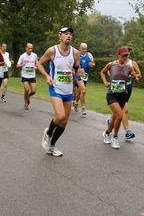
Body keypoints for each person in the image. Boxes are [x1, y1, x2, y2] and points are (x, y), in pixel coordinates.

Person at [37, 27, 84, 157]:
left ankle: (52, 146)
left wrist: (79, 71)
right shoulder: (52, 51)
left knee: (64, 121)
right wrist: (47, 76)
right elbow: (39, 64)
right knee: (60, 116)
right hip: (55, 88)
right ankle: (48, 133)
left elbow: (76, 67)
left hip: (68, 89)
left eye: (70, 34)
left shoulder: (75, 52)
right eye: (66, 34)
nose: (69, 36)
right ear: (60, 36)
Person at [100, 46, 135, 149]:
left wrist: (133, 76)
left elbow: (136, 79)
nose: (125, 57)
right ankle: (115, 138)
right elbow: (102, 72)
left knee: (115, 117)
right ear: (118, 55)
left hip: (122, 95)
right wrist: (105, 82)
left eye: (126, 55)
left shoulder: (129, 67)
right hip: (112, 94)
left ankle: (107, 133)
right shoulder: (111, 65)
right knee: (119, 115)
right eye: (123, 55)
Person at [106, 46, 141, 140]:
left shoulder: (132, 64)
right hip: (115, 90)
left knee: (118, 113)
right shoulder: (114, 64)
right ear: (120, 54)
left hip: (127, 90)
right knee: (123, 110)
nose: (126, 55)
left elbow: (139, 75)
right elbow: (109, 73)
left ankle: (110, 124)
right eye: (124, 53)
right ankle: (127, 131)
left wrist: (132, 75)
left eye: (128, 53)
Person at [73, 43, 95, 115]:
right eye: (83, 49)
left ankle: (75, 103)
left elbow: (92, 63)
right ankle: (83, 108)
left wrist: (92, 64)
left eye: (86, 49)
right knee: (83, 90)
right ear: (80, 48)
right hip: (78, 75)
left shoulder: (89, 55)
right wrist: (75, 70)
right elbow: (72, 64)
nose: (85, 50)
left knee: (80, 92)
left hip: (85, 75)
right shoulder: (76, 54)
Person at [16, 43, 38, 110]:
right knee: (26, 89)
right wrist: (22, 65)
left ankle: (28, 97)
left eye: (31, 48)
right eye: (29, 48)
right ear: (26, 48)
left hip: (32, 75)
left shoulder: (34, 55)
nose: (30, 50)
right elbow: (17, 65)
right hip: (25, 75)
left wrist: (36, 67)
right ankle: (26, 103)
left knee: (33, 91)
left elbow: (37, 64)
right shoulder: (22, 56)